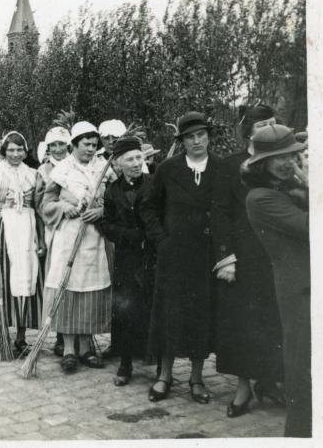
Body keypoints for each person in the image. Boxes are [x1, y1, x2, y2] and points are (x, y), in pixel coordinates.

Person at [211, 104, 285, 418]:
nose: (269, 127)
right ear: (248, 132)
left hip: (277, 254)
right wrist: (226, 256)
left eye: (273, 122)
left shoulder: (283, 161)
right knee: (243, 324)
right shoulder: (231, 165)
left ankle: (269, 381)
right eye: (262, 124)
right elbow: (220, 214)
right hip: (244, 257)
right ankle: (243, 387)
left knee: (274, 319)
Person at [142, 111, 220, 403]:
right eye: (190, 136)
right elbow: (149, 208)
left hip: (205, 256)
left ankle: (197, 379)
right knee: (169, 313)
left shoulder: (220, 168)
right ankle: (164, 376)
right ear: (182, 141)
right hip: (173, 256)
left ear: (209, 136)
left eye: (201, 135)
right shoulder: (168, 169)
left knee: (201, 315)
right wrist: (162, 239)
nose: (197, 141)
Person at [243, 124, 310, 437]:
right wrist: (310, 181)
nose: (288, 163)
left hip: (311, 286)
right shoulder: (260, 198)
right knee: (302, 370)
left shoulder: (287, 189)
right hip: (299, 291)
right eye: (279, 158)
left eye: (292, 156)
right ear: (262, 164)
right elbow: (315, 226)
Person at [41, 122, 111, 373]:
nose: (91, 149)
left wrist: (102, 211)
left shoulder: (103, 169)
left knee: (89, 289)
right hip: (68, 237)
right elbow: (46, 204)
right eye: (86, 144)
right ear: (74, 145)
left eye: (94, 145)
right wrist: (62, 208)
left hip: (94, 238)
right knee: (68, 286)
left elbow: (113, 201)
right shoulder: (61, 170)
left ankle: (86, 348)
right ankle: (69, 350)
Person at [102, 137, 158, 385]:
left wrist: (150, 238)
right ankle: (125, 364)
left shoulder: (155, 185)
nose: (137, 163)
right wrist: (130, 236)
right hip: (126, 257)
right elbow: (107, 224)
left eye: (139, 158)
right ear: (117, 163)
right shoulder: (112, 191)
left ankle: (157, 365)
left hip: (152, 256)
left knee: (152, 306)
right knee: (125, 309)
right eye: (130, 159)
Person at [0, 131, 43, 356]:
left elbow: (38, 207)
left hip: (27, 229)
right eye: (11, 150)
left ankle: (21, 336)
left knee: (26, 279)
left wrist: (40, 237)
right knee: (3, 279)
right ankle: (0, 336)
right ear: (3, 151)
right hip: (4, 228)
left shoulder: (33, 174)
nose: (16, 154)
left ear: (26, 151)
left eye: (20, 150)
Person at [34, 126, 71, 356]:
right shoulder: (43, 170)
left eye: (61, 144)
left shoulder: (75, 166)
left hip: (75, 227)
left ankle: (73, 332)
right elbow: (39, 204)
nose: (57, 149)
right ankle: (59, 334)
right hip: (53, 227)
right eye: (53, 145)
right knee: (56, 280)